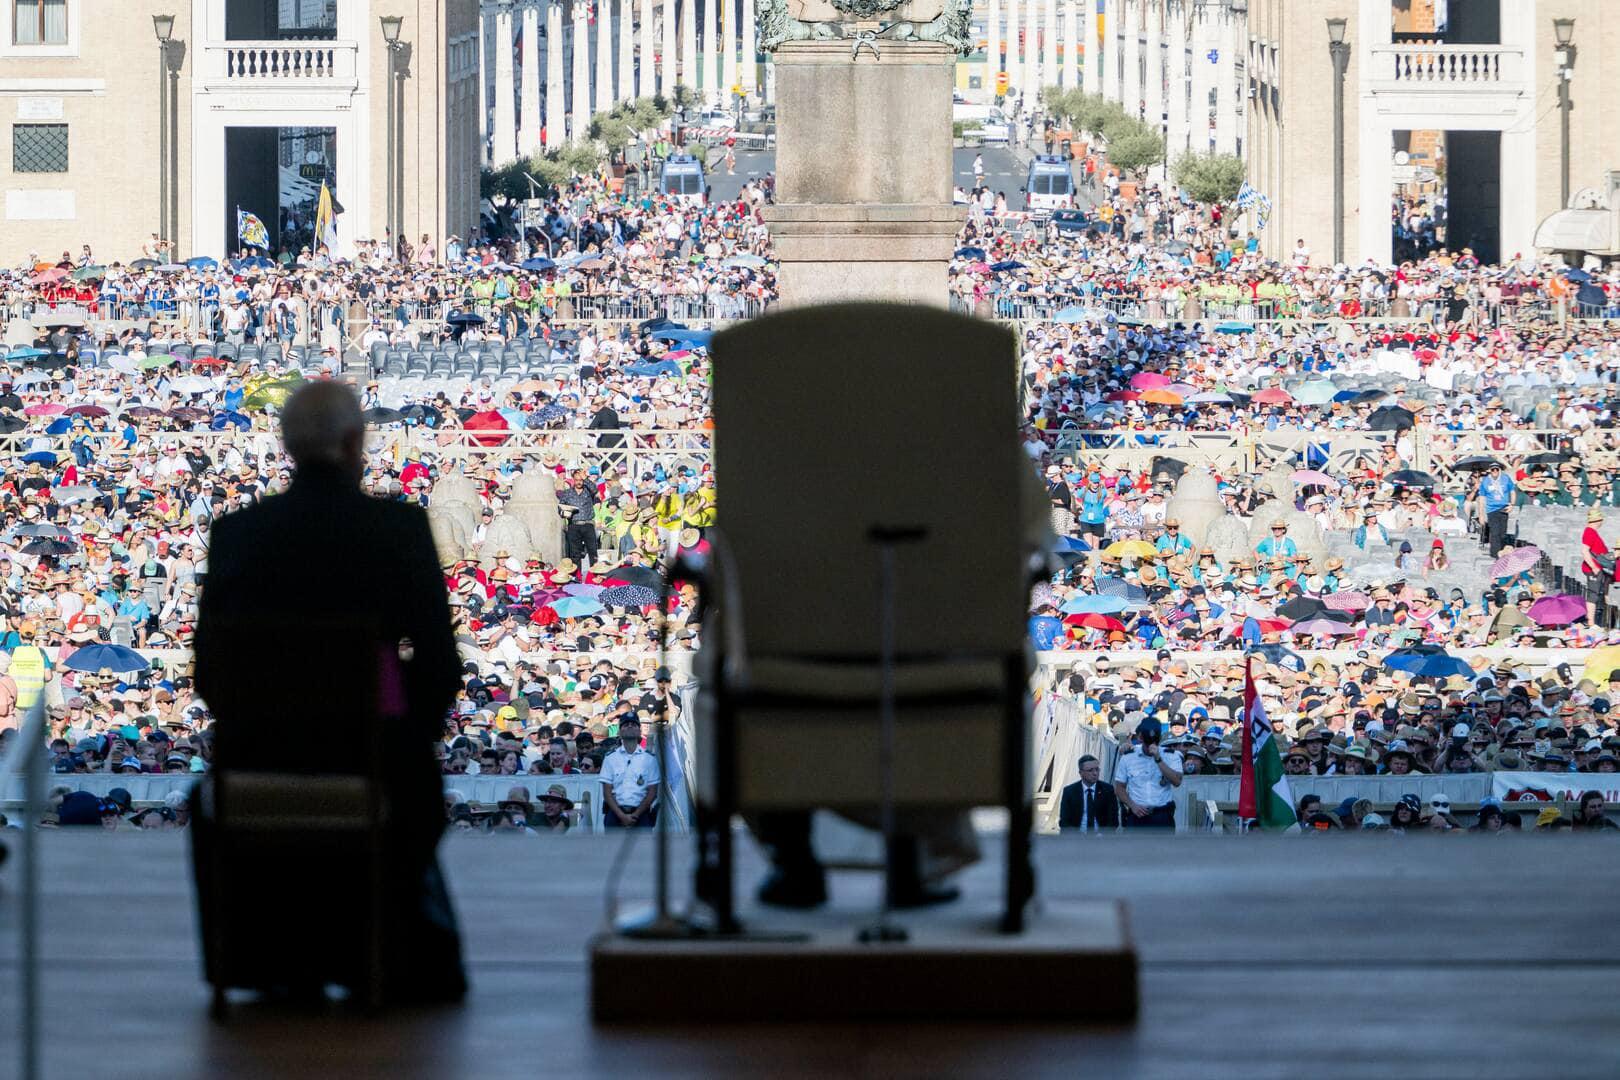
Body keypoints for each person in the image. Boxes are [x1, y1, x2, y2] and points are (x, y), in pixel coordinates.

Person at [191, 381, 466, 1005]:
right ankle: (376, 951)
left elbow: (209, 673)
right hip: (375, 756)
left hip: (257, 759)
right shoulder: (396, 528)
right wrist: (407, 739)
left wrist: (260, 730)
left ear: (287, 446)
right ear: (354, 443)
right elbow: (438, 660)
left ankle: (264, 962)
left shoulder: (240, 533)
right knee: (416, 796)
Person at [1113, 718, 1183, 827]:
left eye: (1154, 742)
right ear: (1140, 738)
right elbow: (1119, 788)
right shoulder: (1129, 757)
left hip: (1162, 815)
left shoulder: (1171, 755)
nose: (1150, 747)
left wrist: (1159, 759)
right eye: (1147, 743)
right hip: (1137, 815)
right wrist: (1132, 805)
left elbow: (1177, 781)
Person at [599, 713, 659, 828]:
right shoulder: (610, 758)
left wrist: (635, 815)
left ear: (639, 730)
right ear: (620, 731)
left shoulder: (649, 759)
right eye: (626, 725)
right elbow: (607, 792)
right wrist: (621, 815)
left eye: (634, 724)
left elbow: (652, 792)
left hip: (641, 814)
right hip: (615, 814)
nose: (630, 726)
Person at [1059, 754, 1120, 833]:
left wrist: (1103, 836)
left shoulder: (1108, 790)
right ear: (1081, 773)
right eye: (1090, 770)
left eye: (1097, 769)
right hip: (1076, 838)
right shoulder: (1069, 791)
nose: (1095, 773)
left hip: (1102, 838)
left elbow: (1113, 820)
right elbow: (1064, 822)